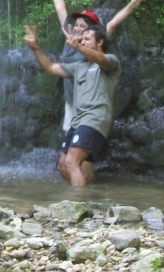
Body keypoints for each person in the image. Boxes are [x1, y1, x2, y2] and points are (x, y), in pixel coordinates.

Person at [45, 0, 145, 129]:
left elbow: (112, 23)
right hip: (71, 101)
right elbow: (60, 8)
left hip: (89, 105)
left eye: (82, 26)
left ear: (91, 31)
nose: (77, 28)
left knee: (81, 146)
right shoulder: (69, 36)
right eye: (76, 25)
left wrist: (132, 4)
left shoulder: (93, 42)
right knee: (69, 141)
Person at [23, 21, 120, 187]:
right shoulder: (79, 66)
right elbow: (52, 68)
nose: (82, 41)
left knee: (71, 162)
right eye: (81, 40)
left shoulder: (111, 60)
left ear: (100, 42)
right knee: (62, 166)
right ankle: (86, 196)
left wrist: (78, 47)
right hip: (78, 121)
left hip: (95, 118)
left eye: (86, 39)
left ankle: (77, 206)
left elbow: (101, 60)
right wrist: (35, 48)